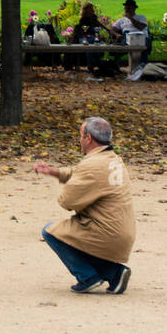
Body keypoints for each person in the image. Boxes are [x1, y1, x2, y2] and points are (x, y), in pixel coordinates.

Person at [33, 117, 133, 293]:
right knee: (74, 233)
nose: (79, 139)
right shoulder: (113, 159)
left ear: (88, 138)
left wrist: (80, 197)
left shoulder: (92, 165)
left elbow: (66, 201)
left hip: (106, 234)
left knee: (51, 232)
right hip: (123, 232)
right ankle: (115, 274)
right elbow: (79, 172)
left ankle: (87, 277)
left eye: (80, 135)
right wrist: (54, 172)